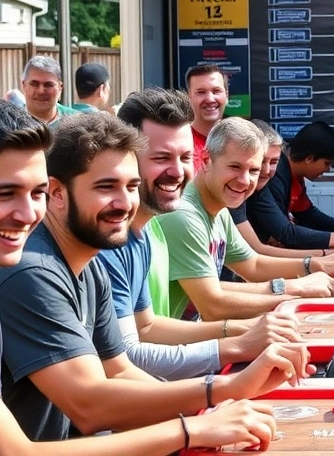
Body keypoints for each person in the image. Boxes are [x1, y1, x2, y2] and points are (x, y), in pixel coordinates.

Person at [0, 95, 285, 454]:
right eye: (4, 193)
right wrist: (198, 419)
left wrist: (212, 412)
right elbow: (18, 447)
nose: (27, 213)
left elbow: (118, 373)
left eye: (35, 193)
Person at [0, 112, 315, 441]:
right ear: (56, 193)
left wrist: (210, 412)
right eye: (106, 187)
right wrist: (218, 394)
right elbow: (90, 406)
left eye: (131, 186)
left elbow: (121, 370)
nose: (125, 202)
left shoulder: (90, 263)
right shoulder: (32, 272)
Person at [95, 88, 302, 381]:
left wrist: (248, 330)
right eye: (161, 157)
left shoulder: (147, 226)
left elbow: (149, 328)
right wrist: (236, 348)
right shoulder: (112, 238)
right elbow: (128, 357)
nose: (177, 171)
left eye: (184, 157)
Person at [159, 118, 334, 321]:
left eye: (253, 170)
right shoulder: (185, 215)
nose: (244, 180)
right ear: (206, 160)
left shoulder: (220, 209)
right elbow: (212, 306)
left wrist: (316, 265)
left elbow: (252, 265)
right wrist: (296, 290)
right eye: (235, 167)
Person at [247, 121, 334, 250]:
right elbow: (285, 234)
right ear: (309, 158)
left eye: (273, 161)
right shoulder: (272, 178)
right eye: (327, 163)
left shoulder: (294, 176)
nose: (267, 170)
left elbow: (307, 215)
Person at [185, 64, 227, 172]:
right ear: (189, 97)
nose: (210, 99)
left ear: (227, 95)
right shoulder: (182, 144)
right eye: (201, 92)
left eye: (216, 91)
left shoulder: (238, 142)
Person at [21, 55, 78, 126]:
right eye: (34, 84)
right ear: (24, 85)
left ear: (60, 87)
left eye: (48, 85)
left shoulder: (77, 122)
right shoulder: (9, 123)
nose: (40, 91)